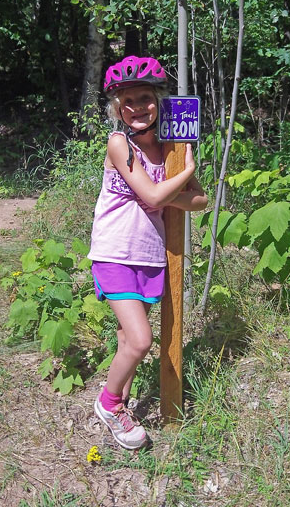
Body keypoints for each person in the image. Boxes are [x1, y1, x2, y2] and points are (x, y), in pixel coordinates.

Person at [88, 55, 207, 450]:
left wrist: (180, 182)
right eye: (128, 101)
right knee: (141, 340)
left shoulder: (170, 148)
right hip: (115, 251)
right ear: (117, 109)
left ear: (160, 100)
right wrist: (186, 174)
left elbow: (200, 202)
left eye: (145, 97)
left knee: (127, 337)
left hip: (148, 255)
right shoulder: (120, 144)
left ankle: (118, 399)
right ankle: (109, 404)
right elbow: (157, 195)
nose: (138, 106)